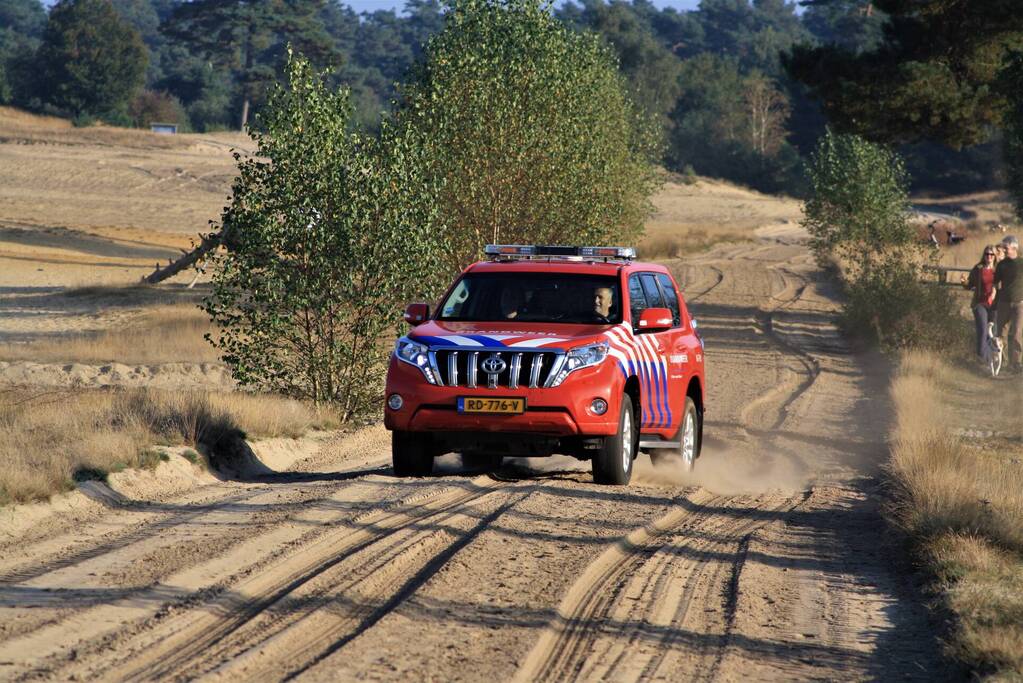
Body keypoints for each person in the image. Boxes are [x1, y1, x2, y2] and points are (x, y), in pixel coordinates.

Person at [963, 246, 998, 365]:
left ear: (995, 256)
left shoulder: (998, 270)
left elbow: (1003, 286)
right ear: (984, 255)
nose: (989, 256)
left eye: (992, 254)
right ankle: (981, 359)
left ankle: (991, 360)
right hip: (980, 304)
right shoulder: (978, 269)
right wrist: (964, 282)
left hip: (994, 305)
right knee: (983, 330)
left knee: (992, 332)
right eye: (987, 254)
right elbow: (969, 284)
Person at [994, 235, 1022, 375]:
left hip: (1019, 304)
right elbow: (995, 282)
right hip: (1004, 302)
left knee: (1017, 333)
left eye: (1006, 247)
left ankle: (1016, 363)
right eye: (1003, 247)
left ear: (1014, 247)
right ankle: (1002, 361)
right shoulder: (1001, 264)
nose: (1004, 249)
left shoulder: (1021, 263)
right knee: (1001, 333)